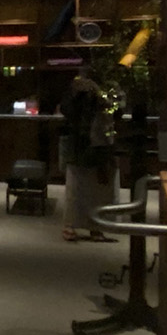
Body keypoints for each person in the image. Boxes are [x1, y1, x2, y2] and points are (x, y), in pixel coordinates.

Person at [59, 66, 115, 242]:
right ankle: (71, 225)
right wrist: (77, 94)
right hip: (80, 145)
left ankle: (95, 226)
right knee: (75, 188)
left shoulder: (104, 93)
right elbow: (66, 111)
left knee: (97, 190)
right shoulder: (75, 92)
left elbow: (114, 111)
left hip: (98, 145)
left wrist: (97, 93)